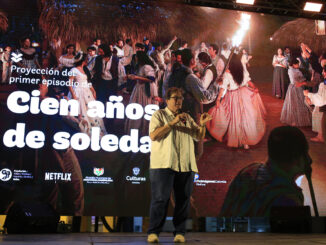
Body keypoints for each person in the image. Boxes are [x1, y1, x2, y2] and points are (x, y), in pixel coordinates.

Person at [147, 87, 212, 243]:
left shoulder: (187, 118)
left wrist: (202, 125)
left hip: (185, 165)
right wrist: (172, 122)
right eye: (175, 98)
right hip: (163, 164)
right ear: (167, 100)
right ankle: (154, 232)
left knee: (183, 200)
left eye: (180, 98)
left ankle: (179, 232)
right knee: (160, 199)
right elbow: (154, 135)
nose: (178, 101)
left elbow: (198, 136)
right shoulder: (159, 115)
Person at [220, 126, 312, 217]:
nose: (310, 159)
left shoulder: (249, 170)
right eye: (306, 153)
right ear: (297, 158)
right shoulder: (288, 198)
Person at [206, 54, 266, 149]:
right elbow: (247, 82)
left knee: (234, 117)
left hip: (232, 96)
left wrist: (218, 99)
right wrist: (254, 87)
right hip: (242, 93)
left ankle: (238, 139)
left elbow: (223, 88)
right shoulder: (241, 70)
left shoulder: (227, 73)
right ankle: (245, 141)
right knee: (244, 117)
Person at [68, 52, 107, 136]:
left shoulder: (85, 69)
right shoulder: (73, 70)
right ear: (83, 60)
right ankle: (83, 129)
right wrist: (73, 95)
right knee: (81, 111)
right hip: (78, 91)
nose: (87, 61)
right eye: (86, 59)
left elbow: (87, 82)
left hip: (86, 91)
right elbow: (69, 84)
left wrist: (93, 90)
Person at [124, 51, 159, 136]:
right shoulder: (140, 66)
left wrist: (136, 77)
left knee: (144, 106)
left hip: (146, 88)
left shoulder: (146, 67)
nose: (135, 59)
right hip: (139, 87)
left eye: (136, 57)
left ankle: (145, 130)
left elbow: (151, 79)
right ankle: (138, 130)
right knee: (139, 106)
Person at [280, 59, 312, 127]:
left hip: (292, 87)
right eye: (297, 64)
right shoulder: (296, 71)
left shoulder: (290, 70)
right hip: (297, 87)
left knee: (293, 104)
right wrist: (304, 79)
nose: (298, 65)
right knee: (299, 103)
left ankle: (293, 120)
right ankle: (297, 120)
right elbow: (300, 79)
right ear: (294, 64)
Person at [304, 66, 326, 142]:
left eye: (323, 71)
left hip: (323, 106)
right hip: (323, 103)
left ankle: (321, 136)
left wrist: (308, 95)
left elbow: (321, 99)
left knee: (319, 115)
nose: (322, 73)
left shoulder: (323, 85)